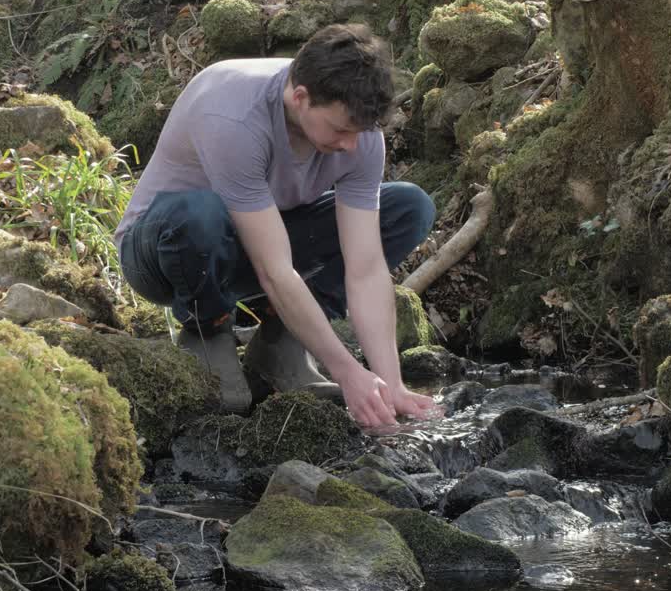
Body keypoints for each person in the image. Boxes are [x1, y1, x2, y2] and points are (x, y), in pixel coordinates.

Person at [115, 23, 441, 429]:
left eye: (360, 133)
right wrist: (346, 371)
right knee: (200, 214)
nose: (350, 146)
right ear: (299, 97)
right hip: (164, 250)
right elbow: (274, 270)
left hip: (261, 242)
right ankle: (207, 330)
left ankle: (280, 342)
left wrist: (390, 384)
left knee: (408, 207)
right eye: (340, 130)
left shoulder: (359, 135)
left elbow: (366, 268)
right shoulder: (233, 116)